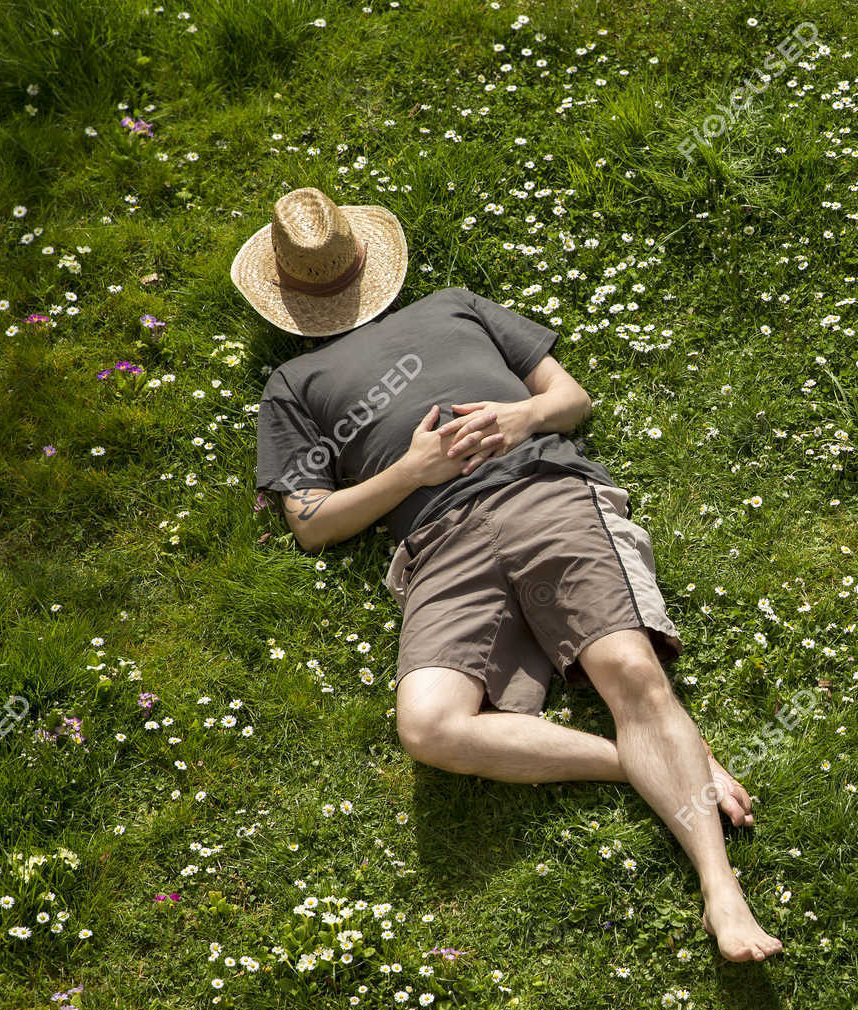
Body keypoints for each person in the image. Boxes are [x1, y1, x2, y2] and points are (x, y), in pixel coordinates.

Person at [236, 187, 781, 962]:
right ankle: (651, 765)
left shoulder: (455, 306)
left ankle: (721, 894)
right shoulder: (292, 385)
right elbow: (311, 525)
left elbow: (571, 398)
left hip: (545, 492)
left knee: (629, 667)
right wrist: (411, 471)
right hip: (435, 542)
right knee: (428, 727)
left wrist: (518, 417)